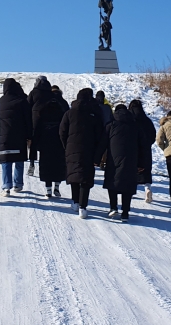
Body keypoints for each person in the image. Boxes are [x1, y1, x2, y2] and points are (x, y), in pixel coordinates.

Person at [59, 88, 106, 219]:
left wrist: (66, 146)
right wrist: (98, 153)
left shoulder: (69, 113)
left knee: (74, 175)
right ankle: (83, 207)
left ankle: (75, 202)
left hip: (71, 148)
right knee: (85, 178)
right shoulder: (94, 114)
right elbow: (100, 136)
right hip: (89, 150)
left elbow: (62, 131)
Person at [104, 104, 141, 222]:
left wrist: (96, 158)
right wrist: (142, 163)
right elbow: (143, 145)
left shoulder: (111, 125)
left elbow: (102, 143)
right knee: (127, 185)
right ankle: (125, 213)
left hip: (113, 159)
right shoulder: (135, 126)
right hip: (131, 160)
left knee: (112, 182)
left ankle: (113, 207)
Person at [32, 83, 69, 198]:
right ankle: (57, 188)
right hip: (59, 141)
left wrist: (35, 143)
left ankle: (48, 190)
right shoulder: (63, 105)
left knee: (46, 166)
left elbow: (37, 125)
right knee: (59, 165)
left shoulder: (43, 107)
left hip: (46, 140)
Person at [0, 78, 32, 196]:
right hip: (19, 134)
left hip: (5, 135)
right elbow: (28, 120)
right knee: (18, 159)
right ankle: (18, 184)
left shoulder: (1, 101)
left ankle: (6, 186)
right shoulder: (22, 100)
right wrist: (29, 136)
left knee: (6, 160)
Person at [129, 99, 157, 204]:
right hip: (145, 149)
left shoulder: (131, 120)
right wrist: (147, 144)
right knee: (146, 171)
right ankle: (147, 189)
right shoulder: (147, 121)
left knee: (132, 170)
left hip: (133, 149)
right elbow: (153, 135)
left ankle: (131, 192)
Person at [26, 76, 55, 177]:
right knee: (44, 145)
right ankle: (43, 167)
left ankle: (32, 164)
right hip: (47, 121)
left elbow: (27, 105)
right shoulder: (50, 93)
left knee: (33, 144)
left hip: (35, 120)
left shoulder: (34, 92)